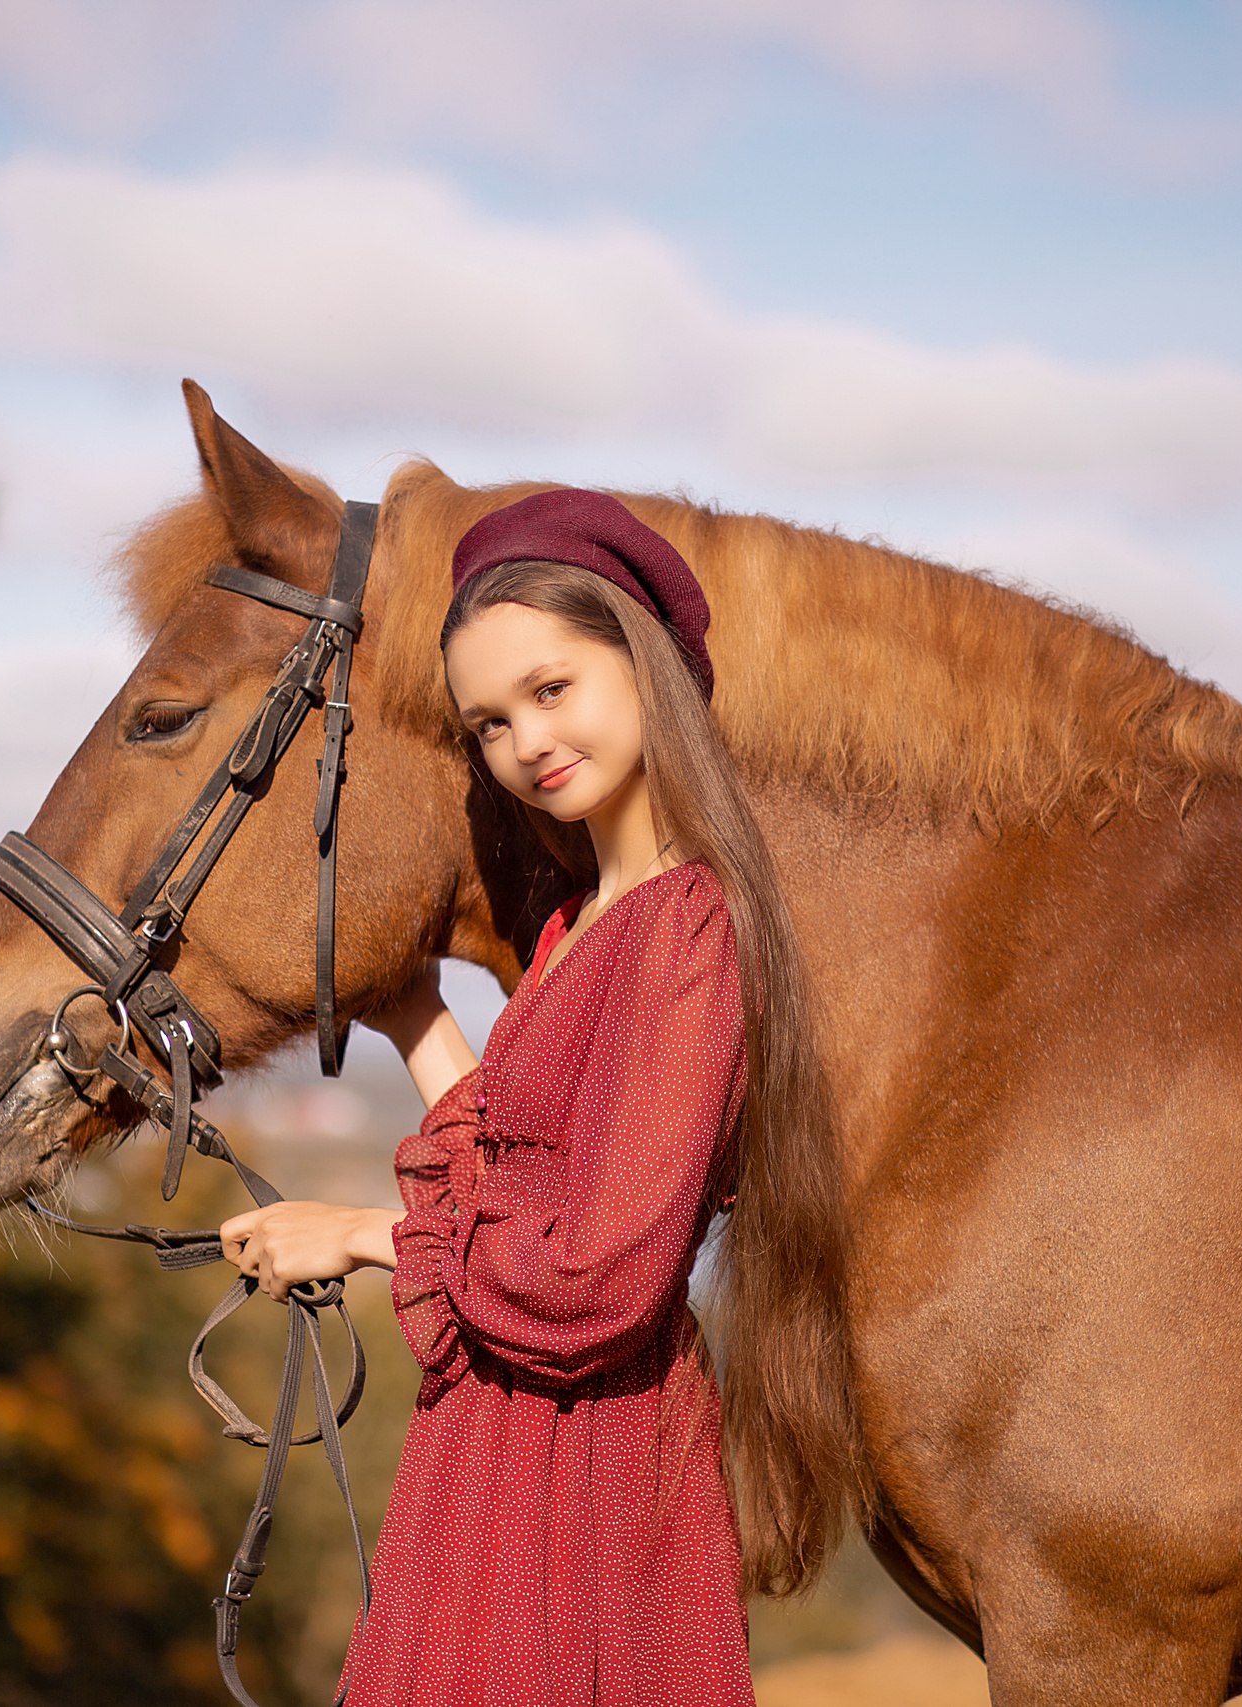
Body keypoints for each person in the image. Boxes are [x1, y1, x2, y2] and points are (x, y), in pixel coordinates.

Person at [217, 488, 850, 1705]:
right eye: (489, 722)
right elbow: (517, 1167)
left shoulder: (687, 930)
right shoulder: (576, 926)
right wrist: (418, 1023)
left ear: (644, 665)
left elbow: (599, 1274)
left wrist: (355, 1237)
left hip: (582, 1451)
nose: (524, 741)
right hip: (507, 1426)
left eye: (550, 690)